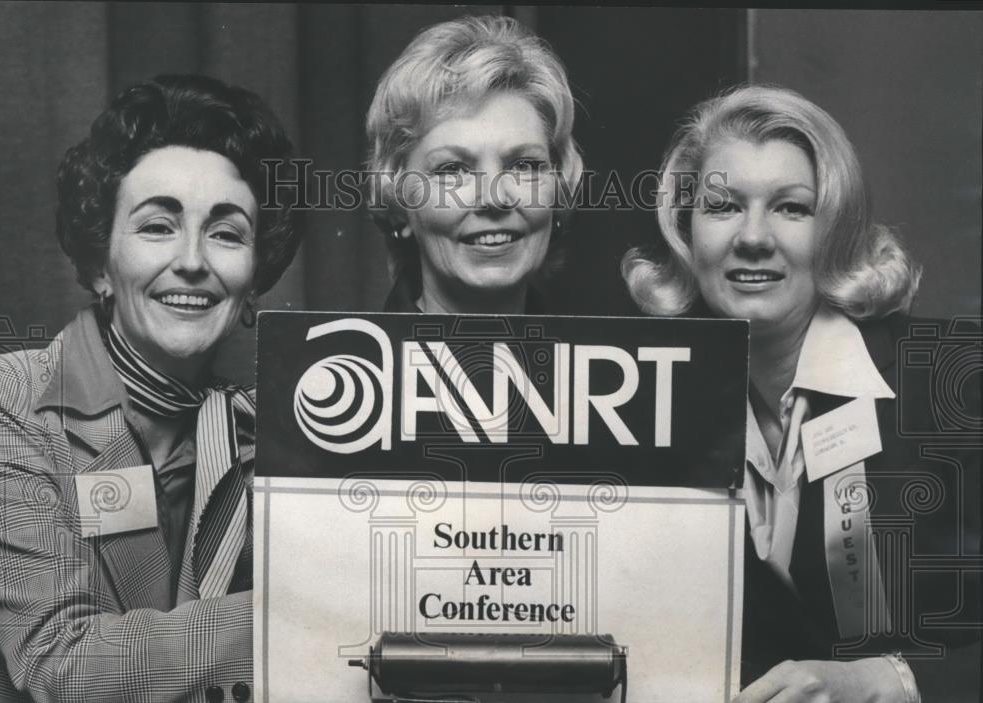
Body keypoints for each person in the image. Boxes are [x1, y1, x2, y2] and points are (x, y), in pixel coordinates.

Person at [623, 84, 980, 702]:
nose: (753, 237)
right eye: (723, 206)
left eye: (791, 208)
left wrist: (890, 682)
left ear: (835, 229)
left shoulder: (957, 378)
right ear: (686, 230)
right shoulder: (645, 400)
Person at [0, 74, 299, 702]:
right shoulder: (7, 405)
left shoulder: (268, 435)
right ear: (101, 262)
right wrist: (295, 613)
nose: (192, 260)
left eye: (227, 232)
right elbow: (61, 665)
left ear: (254, 284)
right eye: (158, 226)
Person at [365, 15, 583, 314]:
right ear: (400, 205)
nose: (495, 198)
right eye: (453, 170)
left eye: (524, 166)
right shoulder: (336, 360)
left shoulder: (607, 362)